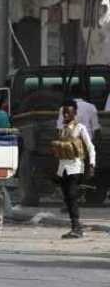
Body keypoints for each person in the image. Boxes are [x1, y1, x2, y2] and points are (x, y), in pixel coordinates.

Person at [55, 99, 96, 239]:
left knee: (72, 197)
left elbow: (91, 147)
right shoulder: (62, 129)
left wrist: (92, 165)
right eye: (64, 112)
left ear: (75, 113)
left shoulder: (80, 128)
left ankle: (77, 228)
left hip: (75, 167)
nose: (66, 114)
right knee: (67, 198)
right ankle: (75, 227)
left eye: (69, 112)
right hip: (63, 169)